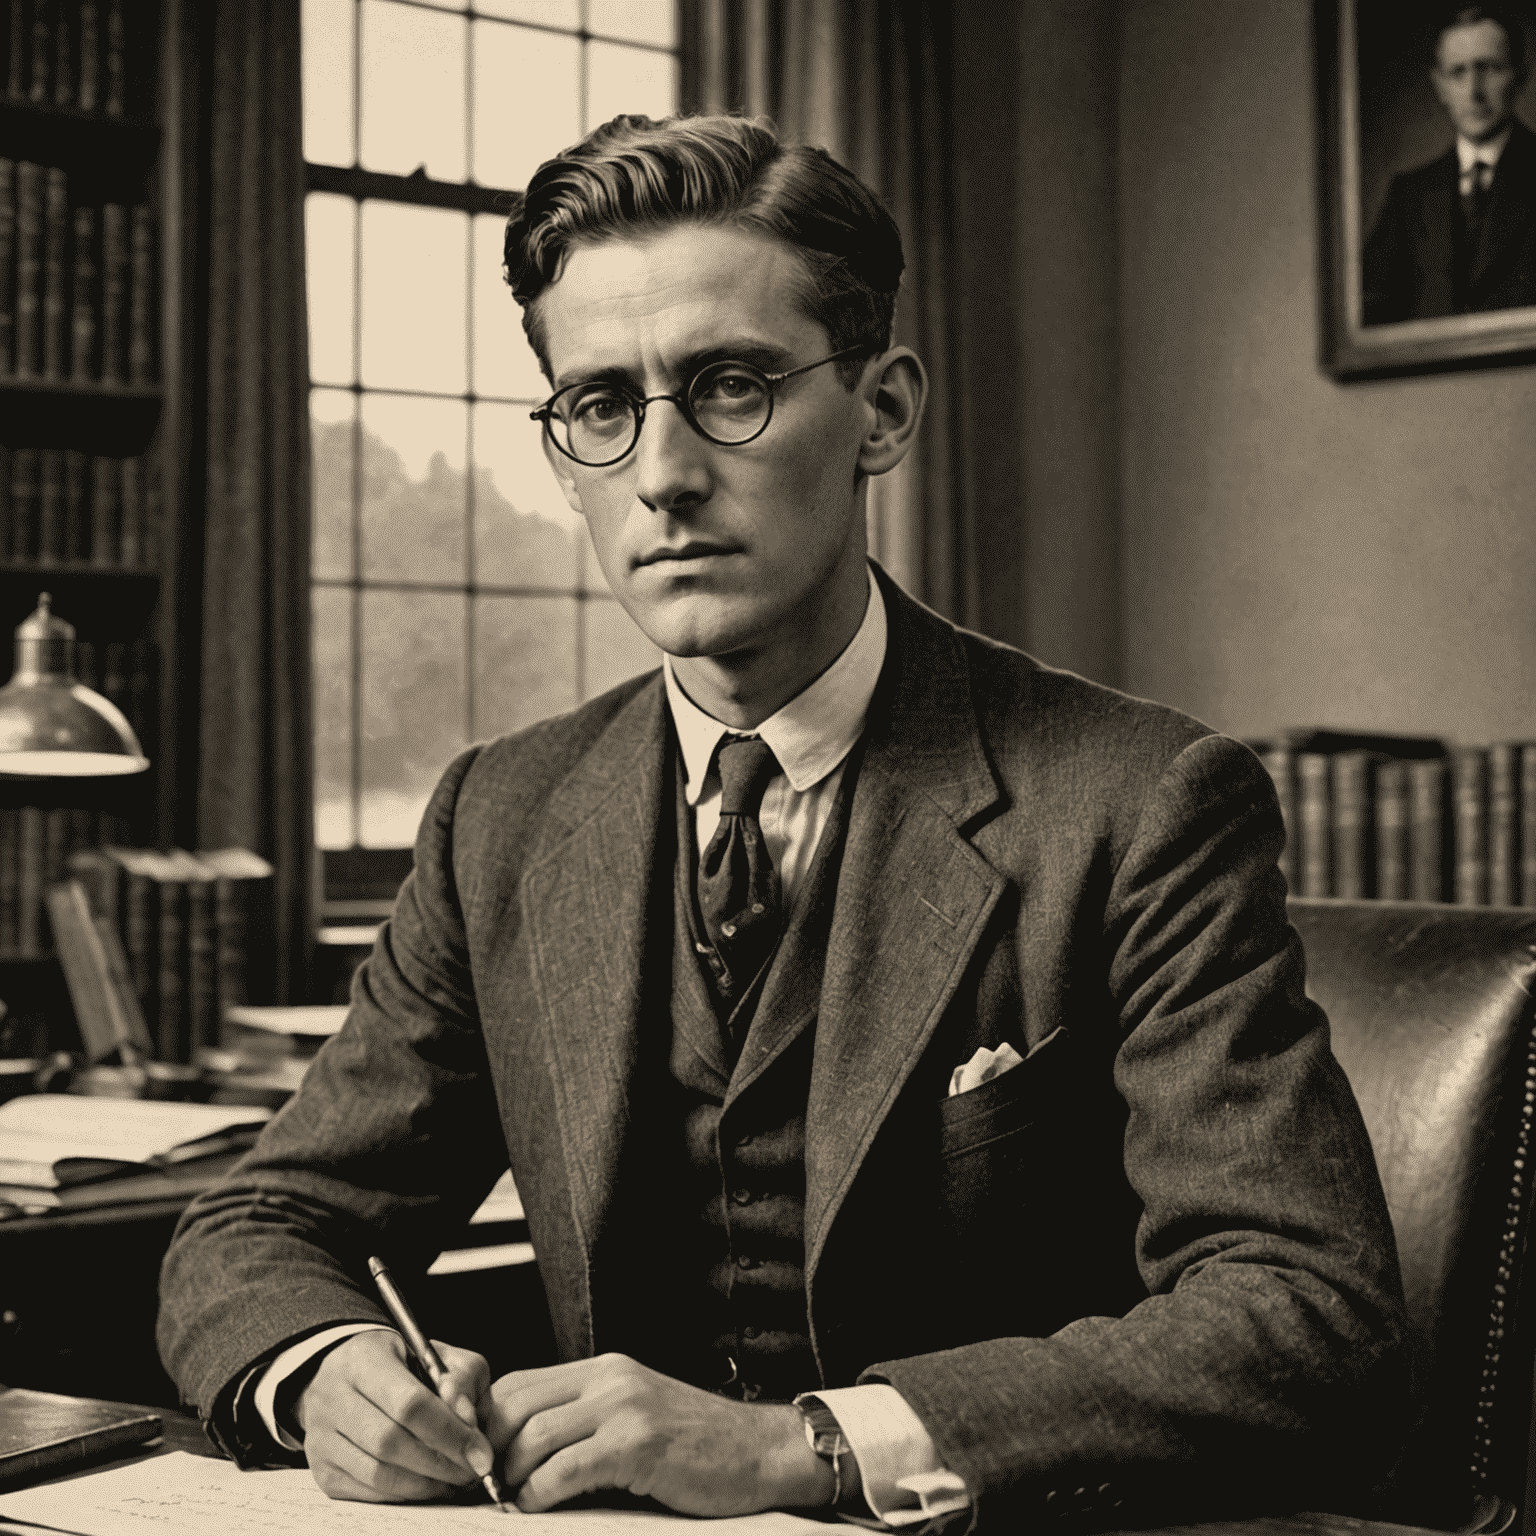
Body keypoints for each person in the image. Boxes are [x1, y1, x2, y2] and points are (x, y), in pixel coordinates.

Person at [158, 113, 1408, 1530]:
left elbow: (1309, 1316)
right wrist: (328, 1372)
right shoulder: (497, 816)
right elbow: (261, 1224)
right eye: (601, 406)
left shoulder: (1141, 803)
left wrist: (805, 1447)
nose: (663, 474)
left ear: (882, 413)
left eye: (732, 385)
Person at [1363, 5, 1536, 324]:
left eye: (1490, 69)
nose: (1474, 92)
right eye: (1458, 73)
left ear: (1521, 75)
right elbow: (1371, 316)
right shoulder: (1408, 197)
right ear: (1440, 87)